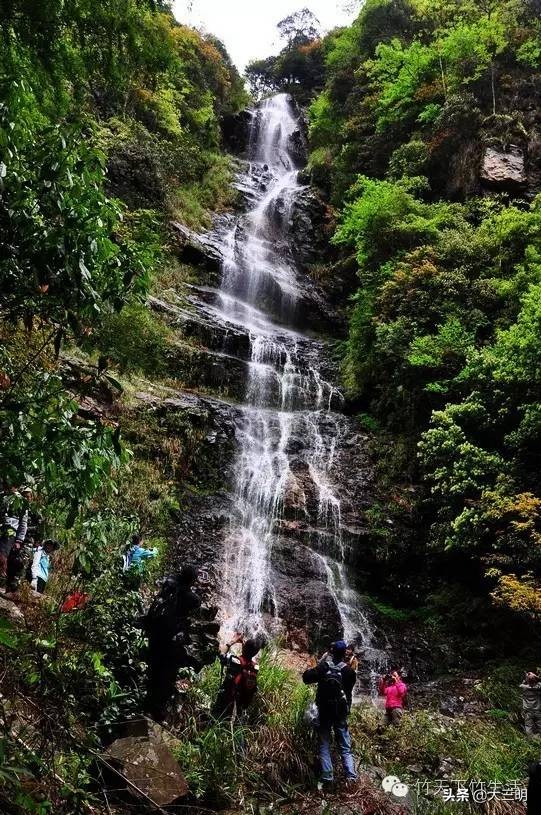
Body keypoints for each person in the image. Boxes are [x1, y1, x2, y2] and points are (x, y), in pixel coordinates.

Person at [143, 566, 202, 721]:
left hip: (155, 635)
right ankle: (157, 711)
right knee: (166, 675)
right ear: (193, 580)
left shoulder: (169, 584)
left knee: (154, 669)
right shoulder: (193, 599)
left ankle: (147, 704)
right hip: (171, 642)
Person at [302, 640, 358, 785]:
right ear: (345, 653)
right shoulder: (349, 672)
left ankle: (327, 776)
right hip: (340, 713)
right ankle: (351, 777)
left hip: (324, 712)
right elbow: (349, 693)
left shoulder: (324, 667)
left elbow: (306, 678)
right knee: (345, 747)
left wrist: (320, 663)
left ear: (331, 652)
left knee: (324, 744)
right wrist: (347, 711)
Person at [212, 634, 265, 721]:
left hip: (227, 698)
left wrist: (232, 641)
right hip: (241, 701)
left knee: (217, 720)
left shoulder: (235, 661)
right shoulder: (255, 667)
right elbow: (247, 657)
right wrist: (246, 647)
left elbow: (220, 653)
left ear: (244, 648)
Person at [0, 487, 31, 588]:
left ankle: (3, 583)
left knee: (3, 558)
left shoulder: (22, 502)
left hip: (10, 533)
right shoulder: (3, 496)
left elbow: (23, 523)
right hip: (2, 528)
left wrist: (19, 540)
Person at [520, 672, 541, 736]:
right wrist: (535, 677)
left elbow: (522, 684)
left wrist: (527, 678)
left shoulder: (523, 687)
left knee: (528, 727)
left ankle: (531, 740)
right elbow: (538, 682)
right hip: (538, 711)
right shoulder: (538, 688)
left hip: (528, 711)